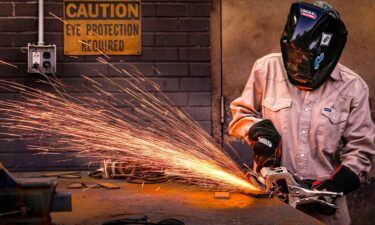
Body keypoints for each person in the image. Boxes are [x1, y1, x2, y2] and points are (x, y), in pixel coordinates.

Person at [228, 1, 375, 225]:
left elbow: (361, 151)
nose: (297, 64)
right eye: (293, 55)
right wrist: (258, 132)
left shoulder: (353, 88)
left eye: (305, 59)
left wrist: (332, 187)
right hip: (271, 201)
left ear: (327, 54)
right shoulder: (266, 69)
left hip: (325, 206)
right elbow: (241, 115)